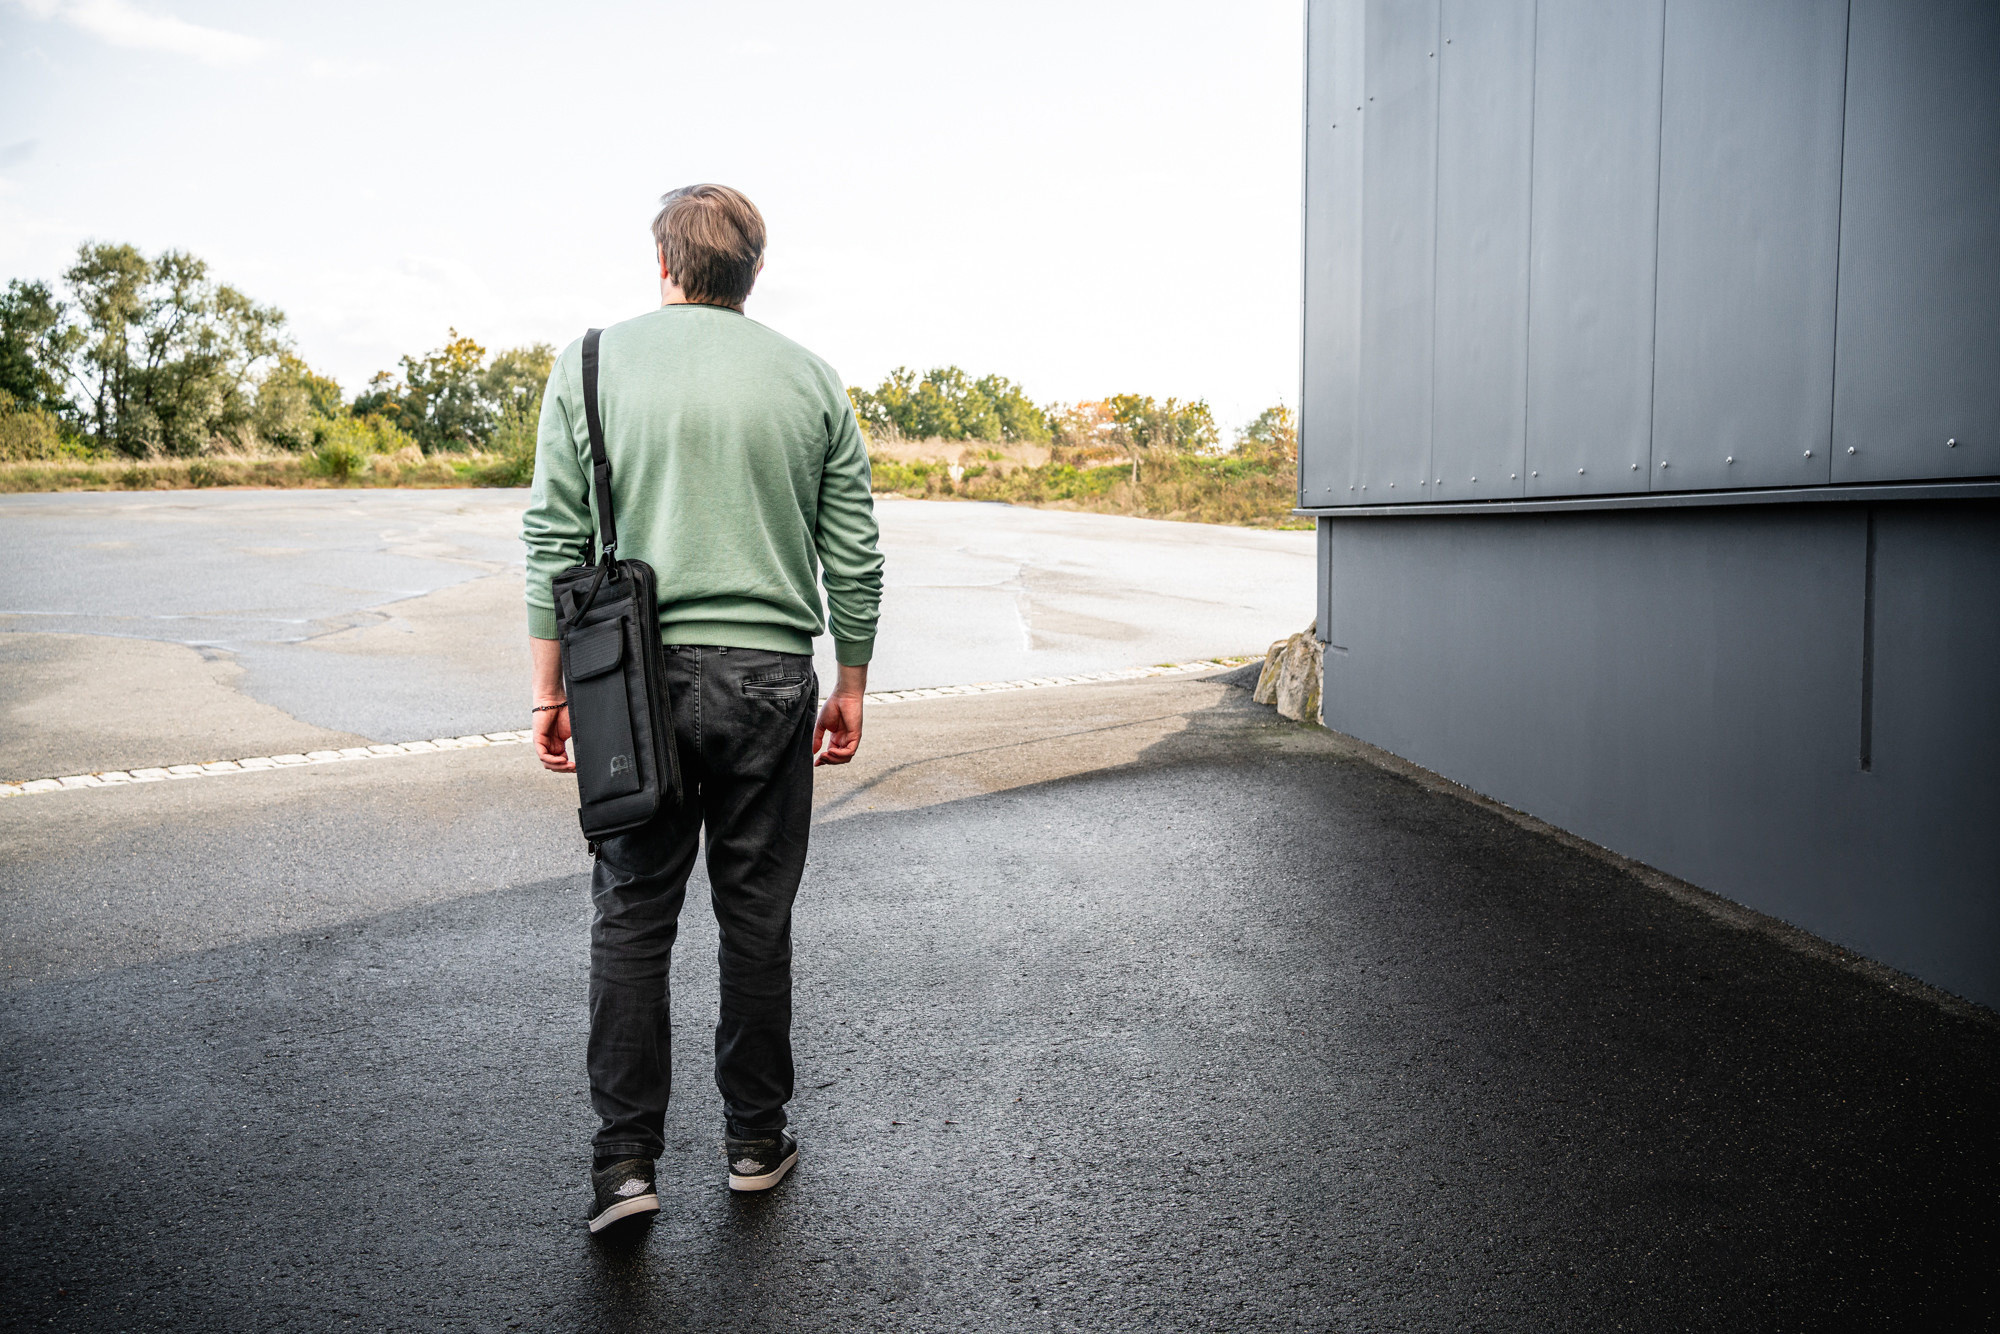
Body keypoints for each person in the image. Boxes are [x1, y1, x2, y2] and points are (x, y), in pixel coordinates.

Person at [520, 184, 883, 1233]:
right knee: (754, 917)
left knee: (632, 915)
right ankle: (755, 1140)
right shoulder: (809, 377)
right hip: (771, 677)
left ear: (664, 265)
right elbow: (854, 547)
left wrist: (550, 688)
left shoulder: (591, 362)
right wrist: (851, 681)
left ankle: (624, 1166)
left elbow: (553, 536)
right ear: (754, 272)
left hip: (630, 680)